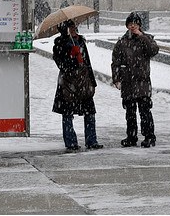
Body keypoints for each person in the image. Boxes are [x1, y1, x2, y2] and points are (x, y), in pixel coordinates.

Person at [52, 19, 103, 152]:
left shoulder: (80, 41)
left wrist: (92, 82)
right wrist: (71, 55)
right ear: (64, 29)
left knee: (90, 112)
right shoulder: (59, 43)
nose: (74, 29)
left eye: (75, 26)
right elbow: (61, 64)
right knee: (67, 113)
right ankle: (71, 142)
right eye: (70, 27)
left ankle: (91, 140)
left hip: (83, 82)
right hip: (68, 84)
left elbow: (87, 62)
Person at [111, 12, 160, 148]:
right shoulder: (122, 42)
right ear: (127, 26)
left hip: (142, 81)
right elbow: (115, 61)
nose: (133, 26)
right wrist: (116, 78)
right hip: (128, 82)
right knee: (130, 112)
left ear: (139, 25)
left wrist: (142, 37)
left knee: (145, 111)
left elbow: (153, 50)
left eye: (135, 24)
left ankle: (149, 136)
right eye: (130, 24)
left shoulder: (146, 39)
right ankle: (131, 136)